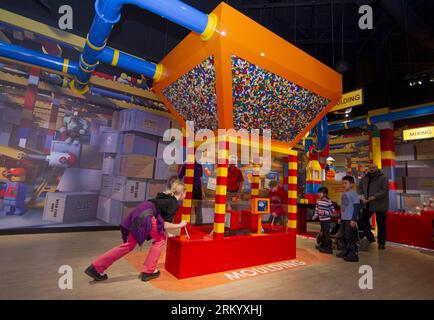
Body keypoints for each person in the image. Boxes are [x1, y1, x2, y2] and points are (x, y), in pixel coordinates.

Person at [85, 180, 187, 282]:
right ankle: (148, 271)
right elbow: (164, 224)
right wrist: (180, 225)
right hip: (147, 215)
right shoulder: (173, 203)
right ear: (182, 193)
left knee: (129, 245)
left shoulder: (165, 197)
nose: (185, 195)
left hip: (139, 212)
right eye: (185, 193)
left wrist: (168, 232)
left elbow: (161, 219)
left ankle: (95, 267)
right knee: (160, 240)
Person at [357, 163, 389, 250]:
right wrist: (361, 196)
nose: (372, 169)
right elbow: (359, 188)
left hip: (380, 204)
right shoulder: (365, 178)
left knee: (381, 224)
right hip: (368, 203)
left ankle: (381, 243)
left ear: (377, 168)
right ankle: (370, 237)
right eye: (370, 167)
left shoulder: (383, 178)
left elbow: (384, 190)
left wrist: (374, 196)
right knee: (362, 219)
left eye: (373, 167)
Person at [337, 176, 361, 262]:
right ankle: (345, 251)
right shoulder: (344, 193)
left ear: (351, 184)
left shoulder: (353, 193)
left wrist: (354, 219)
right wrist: (340, 217)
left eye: (345, 183)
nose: (343, 185)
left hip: (350, 219)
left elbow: (357, 207)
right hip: (344, 218)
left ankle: (353, 254)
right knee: (344, 236)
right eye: (343, 183)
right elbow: (342, 206)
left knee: (350, 237)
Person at [179, 160, 205, 225]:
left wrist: (202, 191)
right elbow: (179, 177)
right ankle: (186, 224)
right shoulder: (186, 163)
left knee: (198, 207)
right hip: (188, 189)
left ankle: (199, 224)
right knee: (188, 207)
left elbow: (200, 179)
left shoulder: (199, 165)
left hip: (198, 189)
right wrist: (181, 190)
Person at [312, 187, 335, 254]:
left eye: (321, 193)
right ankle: (323, 245)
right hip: (321, 220)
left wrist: (325, 212)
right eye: (318, 193)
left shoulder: (328, 201)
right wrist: (315, 216)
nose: (319, 194)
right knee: (322, 233)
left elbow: (332, 210)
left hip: (327, 220)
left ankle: (328, 248)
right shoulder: (318, 201)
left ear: (325, 194)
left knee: (326, 234)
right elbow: (316, 210)